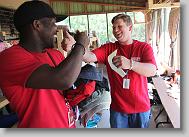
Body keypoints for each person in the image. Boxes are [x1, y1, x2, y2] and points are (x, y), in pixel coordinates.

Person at [0, 1, 89, 128]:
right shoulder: (9, 58)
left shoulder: (54, 54)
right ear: (37, 25)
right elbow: (64, 79)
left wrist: (73, 49)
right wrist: (80, 46)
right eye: (53, 23)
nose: (56, 28)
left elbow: (69, 78)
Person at [65, 14, 157, 128]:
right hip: (118, 109)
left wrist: (131, 64)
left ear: (130, 27)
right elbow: (90, 57)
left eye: (119, 26)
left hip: (141, 108)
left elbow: (152, 70)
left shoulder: (143, 48)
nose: (116, 30)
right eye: (114, 27)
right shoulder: (109, 48)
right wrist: (75, 46)